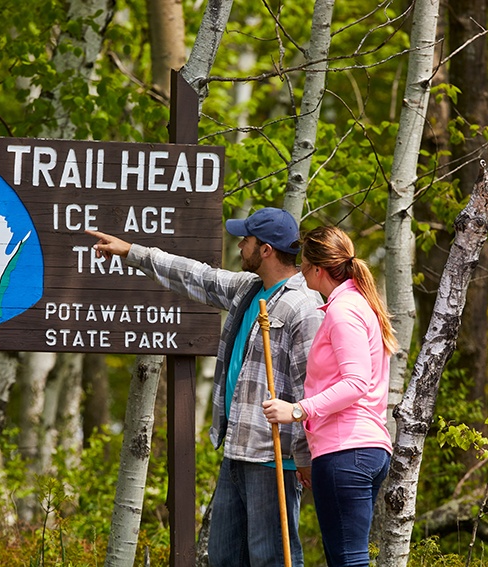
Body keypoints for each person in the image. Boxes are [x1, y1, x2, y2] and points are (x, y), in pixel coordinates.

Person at [87, 207, 323, 567]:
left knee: (271, 559)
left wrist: (304, 459)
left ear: (266, 250)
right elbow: (196, 275)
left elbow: (311, 389)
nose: (240, 244)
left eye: (247, 239)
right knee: (224, 558)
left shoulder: (303, 307)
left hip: (274, 457)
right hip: (236, 451)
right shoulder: (249, 290)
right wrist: (130, 251)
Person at [262, 225, 399, 567]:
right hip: (358, 450)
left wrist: (297, 411)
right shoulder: (356, 305)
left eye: (303, 265)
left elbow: (356, 383)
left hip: (347, 451)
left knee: (348, 560)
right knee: (346, 557)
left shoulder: (344, 311)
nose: (300, 271)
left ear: (318, 270)